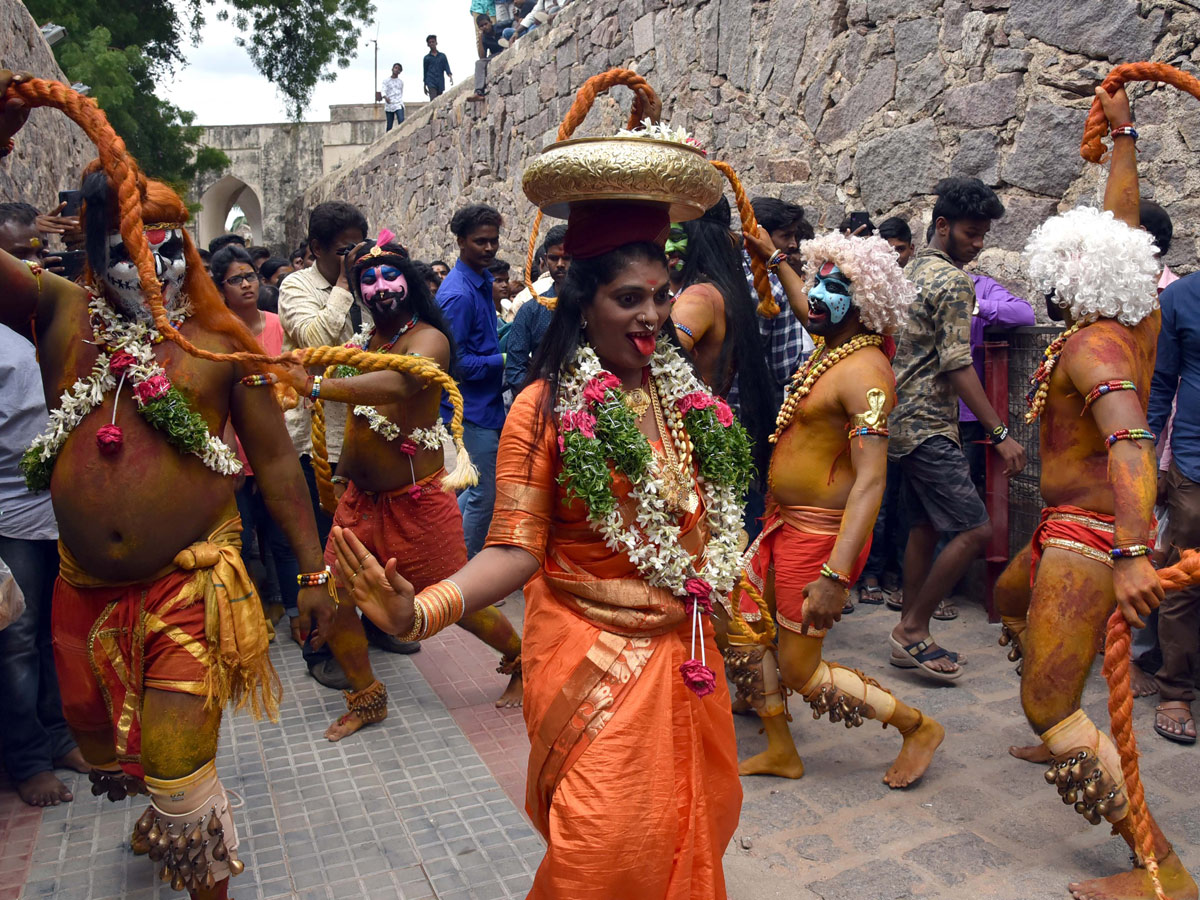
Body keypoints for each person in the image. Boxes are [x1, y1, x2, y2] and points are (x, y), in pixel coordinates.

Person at [330, 186, 745, 897]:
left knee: (689, 830)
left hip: (684, 656)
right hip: (593, 659)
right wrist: (420, 613)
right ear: (583, 304)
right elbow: (515, 549)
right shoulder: (543, 407)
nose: (650, 315)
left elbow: (704, 518)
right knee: (600, 849)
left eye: (660, 295)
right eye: (627, 298)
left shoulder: (681, 395)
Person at [0, 84, 333, 897]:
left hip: (190, 587)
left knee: (182, 768)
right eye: (125, 242)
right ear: (94, 247)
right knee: (113, 746)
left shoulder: (220, 343)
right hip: (82, 593)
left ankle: (201, 868)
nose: (148, 261)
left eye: (166, 243)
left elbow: (278, 465)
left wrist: (315, 573)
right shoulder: (62, 315)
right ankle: (165, 812)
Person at [991, 86, 1196, 900]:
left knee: (1042, 703)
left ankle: (1162, 870)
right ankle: (1065, 708)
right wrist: (1125, 138)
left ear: (1070, 274)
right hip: (1064, 528)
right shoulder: (1135, 312)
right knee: (1010, 599)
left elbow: (1131, 441)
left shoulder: (1090, 343)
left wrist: (1135, 551)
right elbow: (1124, 228)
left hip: (1089, 532)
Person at [729, 226, 944, 787]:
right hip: (783, 523)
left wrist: (835, 575)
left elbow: (872, 482)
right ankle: (781, 748)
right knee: (745, 624)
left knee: (802, 670)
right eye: (820, 277)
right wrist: (775, 259)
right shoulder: (833, 343)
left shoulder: (866, 371)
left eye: (836, 283)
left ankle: (917, 725)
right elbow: (808, 307)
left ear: (866, 300)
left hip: (819, 538)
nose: (819, 293)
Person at [280, 241, 525, 712]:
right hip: (359, 503)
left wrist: (314, 384)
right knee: (336, 595)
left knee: (458, 604)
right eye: (367, 280)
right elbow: (357, 399)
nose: (379, 288)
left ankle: (521, 660)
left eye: (388, 277)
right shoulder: (368, 343)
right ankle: (366, 698)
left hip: (416, 504)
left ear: (409, 283)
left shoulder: (428, 337)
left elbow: (403, 381)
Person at [887, 176, 1026, 682]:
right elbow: (955, 363)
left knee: (924, 525)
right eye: (971, 232)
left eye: (983, 234)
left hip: (902, 420)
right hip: (927, 425)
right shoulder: (951, 281)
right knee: (975, 529)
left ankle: (909, 627)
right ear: (942, 226)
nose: (978, 243)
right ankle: (911, 631)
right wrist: (999, 431)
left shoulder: (908, 272)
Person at [279, 201, 420, 683]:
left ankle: (379, 626)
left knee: (371, 549)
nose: (354, 258)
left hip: (362, 439)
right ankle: (321, 652)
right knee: (324, 554)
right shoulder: (296, 287)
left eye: (358, 247)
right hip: (317, 443)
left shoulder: (367, 282)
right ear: (315, 249)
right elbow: (314, 336)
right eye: (342, 251)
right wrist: (342, 284)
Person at [0, 207, 88, 806]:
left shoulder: (55, 319)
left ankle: (59, 736)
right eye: (17, 254)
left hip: (62, 509)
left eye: (38, 253)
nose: (33, 265)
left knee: (60, 633)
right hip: (9, 516)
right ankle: (28, 758)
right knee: (17, 639)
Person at [211, 246, 291, 632]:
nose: (246, 284)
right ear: (220, 288)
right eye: (235, 279)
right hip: (236, 450)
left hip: (280, 447)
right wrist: (230, 457)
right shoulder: (216, 334)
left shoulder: (278, 325)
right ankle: (249, 614)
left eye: (250, 277)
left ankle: (286, 607)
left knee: (281, 533)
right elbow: (218, 399)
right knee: (242, 538)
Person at [669, 196, 776, 479]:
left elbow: (662, 360)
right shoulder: (720, 290)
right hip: (705, 438)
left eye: (675, 237)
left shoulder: (699, 298)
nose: (666, 248)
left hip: (687, 442)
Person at [437, 204, 506, 558]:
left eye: (494, 241)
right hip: (469, 409)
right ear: (461, 241)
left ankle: (442, 546)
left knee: (473, 485)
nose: (490, 248)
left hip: (487, 405)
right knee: (484, 491)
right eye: (481, 241)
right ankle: (464, 574)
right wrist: (503, 360)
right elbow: (454, 363)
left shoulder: (482, 280)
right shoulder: (458, 295)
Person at [959, 273, 1035, 493]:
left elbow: (1025, 314)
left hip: (969, 414)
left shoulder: (981, 286)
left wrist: (977, 306)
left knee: (967, 492)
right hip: (928, 414)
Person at [504, 224, 570, 396]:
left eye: (567, 258)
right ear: (546, 259)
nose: (560, 264)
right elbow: (515, 369)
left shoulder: (595, 306)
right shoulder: (531, 310)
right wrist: (540, 399)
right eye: (554, 259)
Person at [471, 15, 505, 99]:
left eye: (486, 24)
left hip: (507, 47)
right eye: (481, 26)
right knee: (479, 63)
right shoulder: (484, 37)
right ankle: (478, 92)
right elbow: (482, 57)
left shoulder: (500, 26)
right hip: (496, 54)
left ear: (491, 22)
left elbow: (514, 23)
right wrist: (480, 39)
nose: (484, 27)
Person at [423, 35, 453, 100]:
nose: (431, 44)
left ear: (436, 43)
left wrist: (450, 76)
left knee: (440, 99)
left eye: (433, 42)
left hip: (440, 81)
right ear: (428, 44)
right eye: (430, 42)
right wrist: (425, 85)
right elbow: (425, 71)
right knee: (433, 99)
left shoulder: (442, 56)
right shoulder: (426, 58)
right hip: (430, 81)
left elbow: (446, 66)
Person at [382, 63, 405, 131]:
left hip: (398, 103)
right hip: (389, 104)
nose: (396, 70)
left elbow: (401, 92)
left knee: (401, 121)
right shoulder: (386, 81)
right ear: (392, 69)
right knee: (389, 125)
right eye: (396, 68)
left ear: (400, 72)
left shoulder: (400, 82)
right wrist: (385, 98)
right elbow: (383, 90)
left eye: (398, 69)